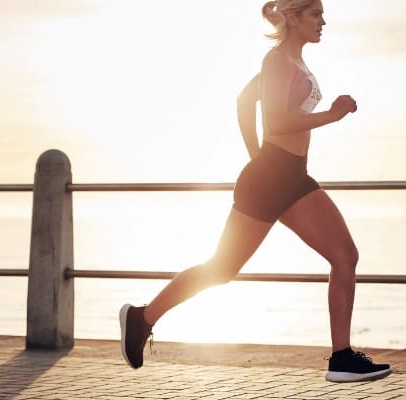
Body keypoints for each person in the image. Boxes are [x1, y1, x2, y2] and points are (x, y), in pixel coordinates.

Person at [119, 0, 392, 383]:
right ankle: (141, 317)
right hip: (270, 179)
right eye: (316, 14)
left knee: (345, 255)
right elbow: (277, 121)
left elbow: (245, 101)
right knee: (221, 269)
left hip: (292, 176)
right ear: (293, 18)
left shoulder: (294, 63)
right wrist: (331, 114)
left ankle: (342, 357)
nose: (323, 22)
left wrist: (258, 156)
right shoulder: (276, 61)